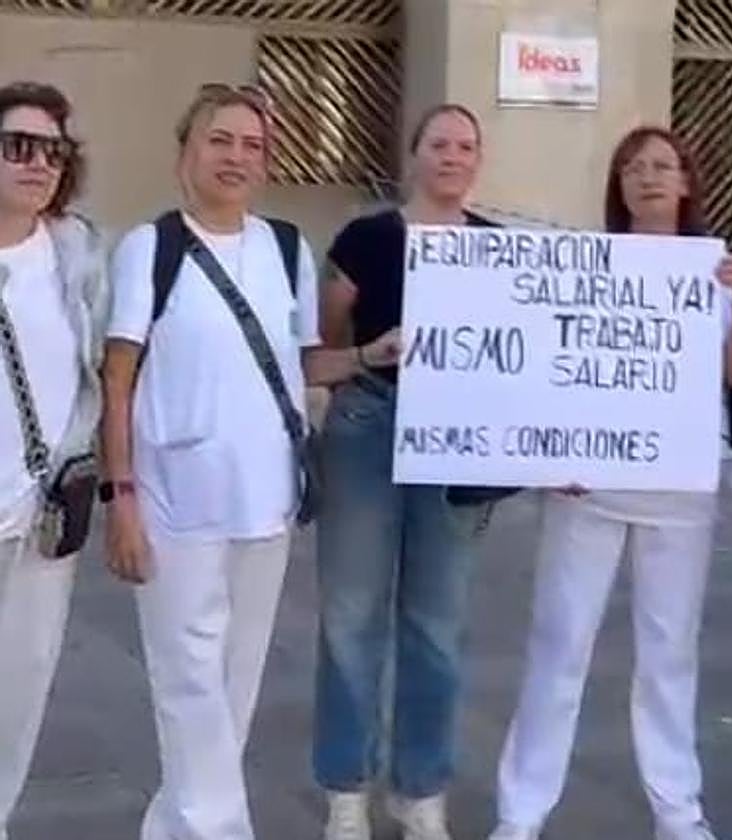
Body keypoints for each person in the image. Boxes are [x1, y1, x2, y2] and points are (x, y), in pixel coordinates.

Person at [102, 83, 399, 840]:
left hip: (264, 500)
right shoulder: (150, 249)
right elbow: (119, 379)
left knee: (233, 687)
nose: (236, 157)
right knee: (187, 684)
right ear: (186, 153)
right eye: (220, 140)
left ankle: (177, 828)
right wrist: (121, 496)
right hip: (174, 499)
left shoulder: (286, 248)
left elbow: (303, 364)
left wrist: (367, 355)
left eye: (252, 145)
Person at [484, 126, 732, 840]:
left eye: (663, 165)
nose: (649, 177)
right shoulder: (589, 264)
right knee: (559, 645)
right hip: (590, 486)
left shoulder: (714, 270)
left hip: (678, 489)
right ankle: (522, 810)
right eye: (633, 168)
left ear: (687, 181)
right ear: (618, 186)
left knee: (670, 654)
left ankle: (678, 810)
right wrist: (552, 454)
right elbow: (553, 367)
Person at [314, 103, 496, 840]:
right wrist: (368, 354)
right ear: (414, 154)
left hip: (456, 438)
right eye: (439, 143)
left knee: (436, 624)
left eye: (465, 146)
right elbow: (321, 350)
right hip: (369, 423)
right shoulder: (365, 239)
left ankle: (421, 790)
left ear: (478, 161)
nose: (452, 156)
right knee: (350, 615)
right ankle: (346, 789)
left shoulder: (498, 248)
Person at [0, 81, 106, 840]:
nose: (38, 164)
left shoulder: (78, 253)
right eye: (18, 146)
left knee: (18, 694)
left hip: (36, 519)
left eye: (54, 151)